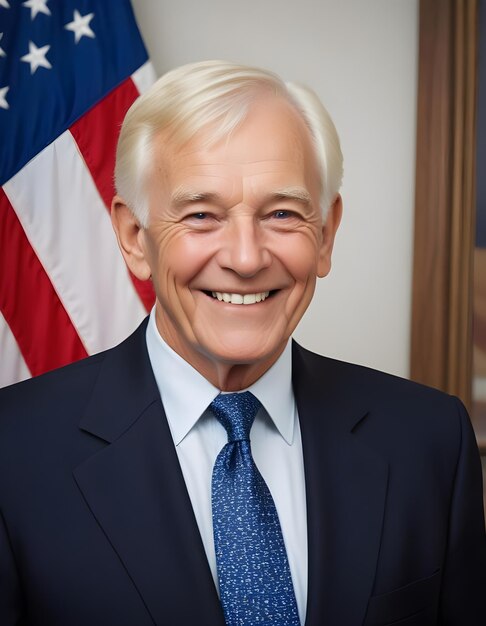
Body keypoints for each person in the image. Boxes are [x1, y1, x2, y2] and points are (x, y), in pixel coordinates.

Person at [0, 60, 485, 626]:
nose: (247, 257)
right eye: (202, 216)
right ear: (135, 239)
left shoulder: (430, 443)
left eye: (282, 213)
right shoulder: (13, 453)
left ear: (326, 233)